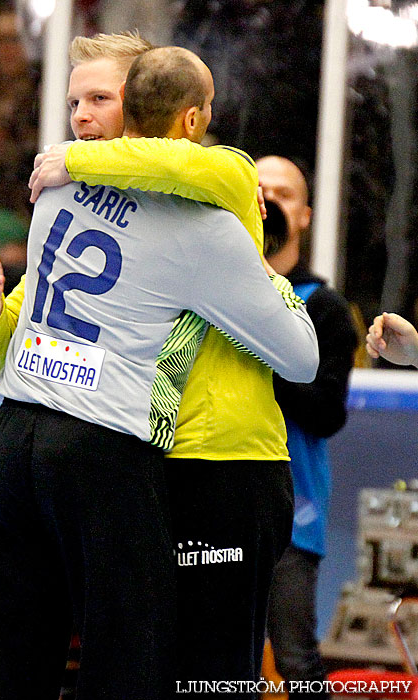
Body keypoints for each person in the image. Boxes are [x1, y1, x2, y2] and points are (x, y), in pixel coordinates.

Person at [0, 45, 318, 700]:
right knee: (132, 663)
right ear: (188, 117)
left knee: (10, 662)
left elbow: (205, 170)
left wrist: (73, 161)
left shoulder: (58, 187)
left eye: (99, 100)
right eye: (74, 103)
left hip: (24, 442)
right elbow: (301, 356)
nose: (80, 119)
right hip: (105, 448)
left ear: (141, 108)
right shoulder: (192, 222)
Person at [255, 155, 357, 700]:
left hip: (293, 515)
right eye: (259, 189)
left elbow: (327, 413)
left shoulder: (326, 309)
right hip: (216, 507)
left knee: (295, 660)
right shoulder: (208, 295)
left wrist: (265, 346)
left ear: (307, 215)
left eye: (284, 193)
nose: (268, 201)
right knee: (212, 663)